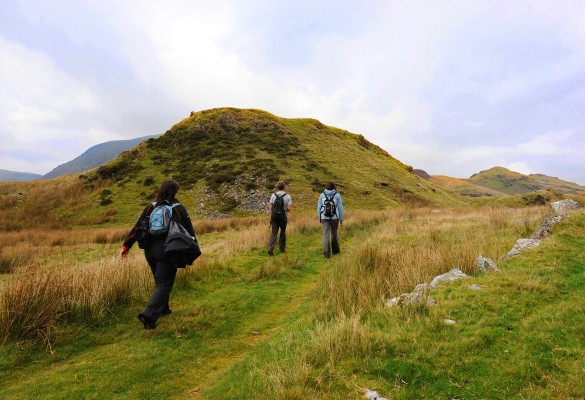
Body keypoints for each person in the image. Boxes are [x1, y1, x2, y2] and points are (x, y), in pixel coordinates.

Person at [120, 179, 195, 330]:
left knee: (160, 282)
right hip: (167, 250)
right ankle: (149, 316)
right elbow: (188, 230)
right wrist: (192, 251)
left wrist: (126, 245)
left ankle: (164, 310)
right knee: (164, 284)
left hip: (149, 251)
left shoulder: (151, 207)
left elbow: (137, 227)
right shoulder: (178, 208)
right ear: (175, 191)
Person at [317, 181, 344, 258]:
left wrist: (320, 219)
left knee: (326, 235)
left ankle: (326, 253)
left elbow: (318, 208)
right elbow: (340, 208)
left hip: (324, 218)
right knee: (334, 234)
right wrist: (341, 219)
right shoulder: (337, 195)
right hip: (334, 217)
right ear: (334, 187)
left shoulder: (322, 195)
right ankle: (335, 251)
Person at [267, 180, 292, 256]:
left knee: (274, 233)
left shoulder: (273, 195)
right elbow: (289, 209)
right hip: (283, 217)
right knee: (283, 232)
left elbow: (270, 207)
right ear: (284, 187)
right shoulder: (288, 196)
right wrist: (284, 209)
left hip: (274, 217)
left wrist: (275, 209)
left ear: (277, 187)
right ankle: (282, 248)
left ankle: (270, 249)